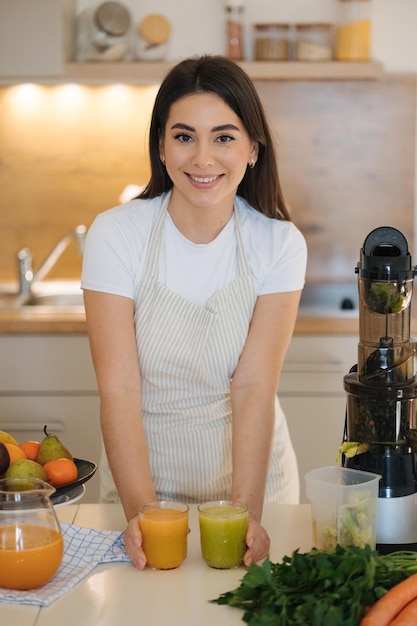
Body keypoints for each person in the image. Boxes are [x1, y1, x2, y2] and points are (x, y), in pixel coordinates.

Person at [81, 54, 307, 570]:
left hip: (256, 485)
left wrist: (245, 511)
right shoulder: (117, 235)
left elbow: (254, 385)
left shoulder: (279, 244)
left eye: (224, 137)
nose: (203, 158)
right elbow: (119, 387)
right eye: (184, 137)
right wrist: (143, 509)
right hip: (144, 485)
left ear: (253, 149)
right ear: (161, 146)